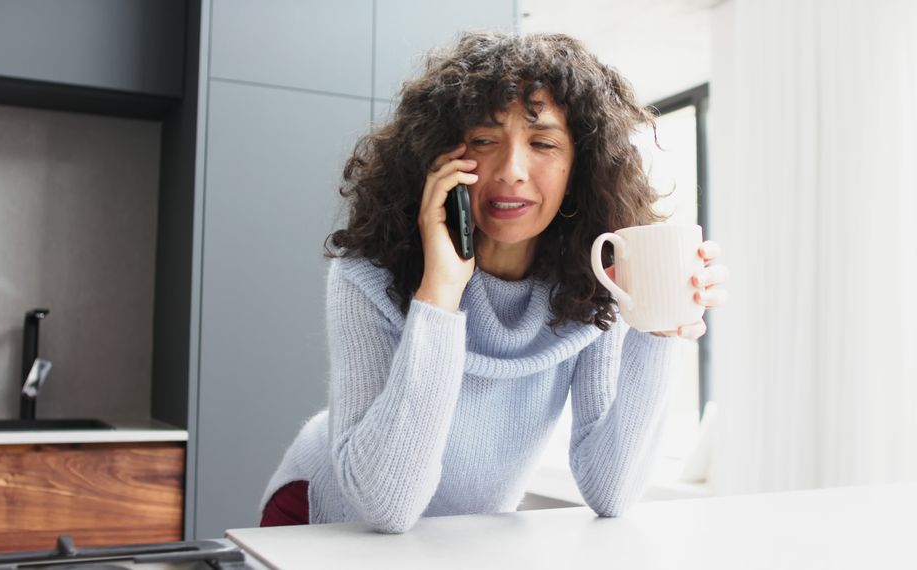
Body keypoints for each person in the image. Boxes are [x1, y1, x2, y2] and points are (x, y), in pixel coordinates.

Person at [259, 31, 729, 534]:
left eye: (543, 143)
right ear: (439, 157)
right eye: (484, 140)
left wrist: (658, 331)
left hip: (463, 538)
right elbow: (384, 504)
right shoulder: (366, 277)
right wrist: (439, 293)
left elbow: (610, 491)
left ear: (580, 166)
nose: (511, 171)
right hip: (324, 522)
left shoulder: (590, 283)